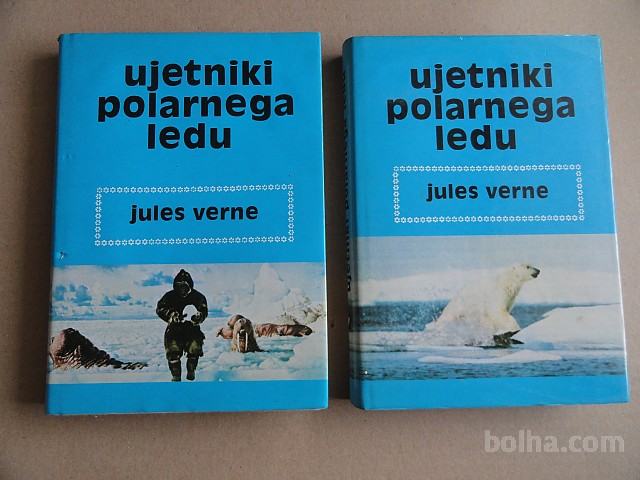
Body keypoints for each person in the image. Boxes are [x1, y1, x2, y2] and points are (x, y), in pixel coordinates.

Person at [156, 269, 208, 381]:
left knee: (194, 350)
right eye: (179, 285)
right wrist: (171, 315)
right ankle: (176, 377)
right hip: (174, 329)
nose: (182, 288)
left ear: (190, 285)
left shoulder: (198, 297)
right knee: (173, 353)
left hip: (192, 329)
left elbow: (203, 310)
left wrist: (199, 317)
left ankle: (191, 372)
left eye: (185, 285)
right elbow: (160, 308)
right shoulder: (169, 296)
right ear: (175, 285)